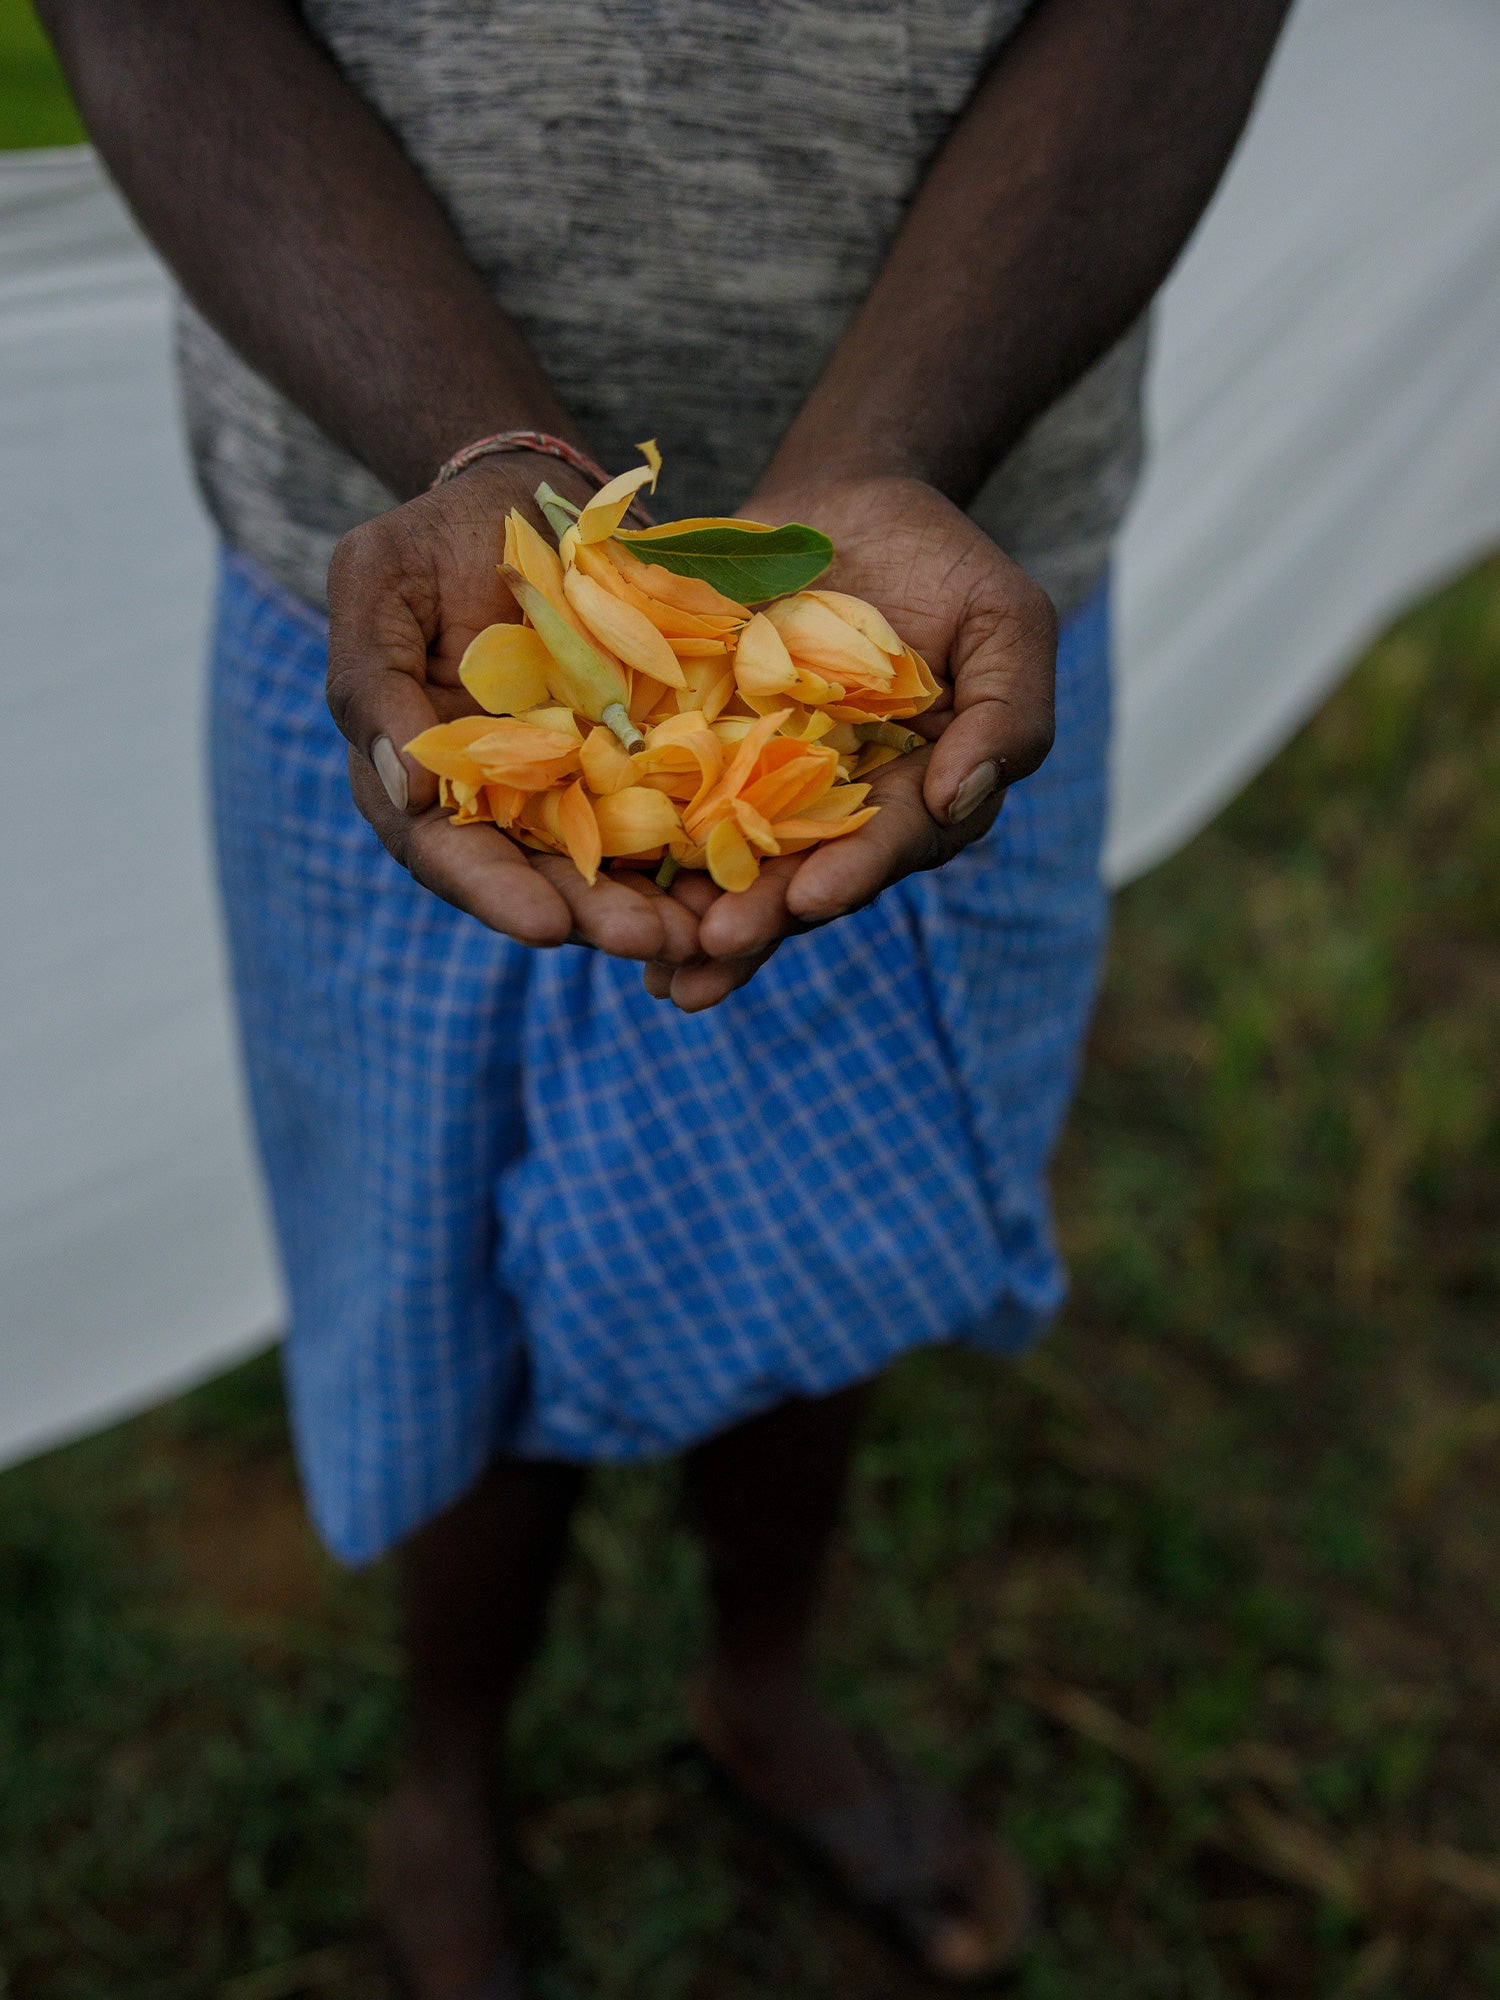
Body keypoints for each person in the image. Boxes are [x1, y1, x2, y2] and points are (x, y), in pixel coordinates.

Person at [42, 1, 1291, 1991]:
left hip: (942, 597)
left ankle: (759, 1679)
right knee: (435, 1242)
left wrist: (878, 447)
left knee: (828, 1235)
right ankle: (449, 1757)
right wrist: (475, 446)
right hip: (400, 602)